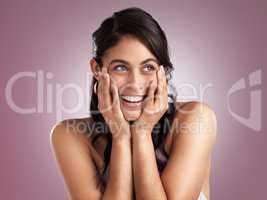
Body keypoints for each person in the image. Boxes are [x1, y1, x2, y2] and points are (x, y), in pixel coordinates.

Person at [50, 7, 217, 200]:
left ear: (163, 73)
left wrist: (142, 132)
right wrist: (121, 136)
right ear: (97, 69)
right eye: (120, 67)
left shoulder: (195, 119)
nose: (135, 84)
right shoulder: (70, 136)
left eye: (148, 67)